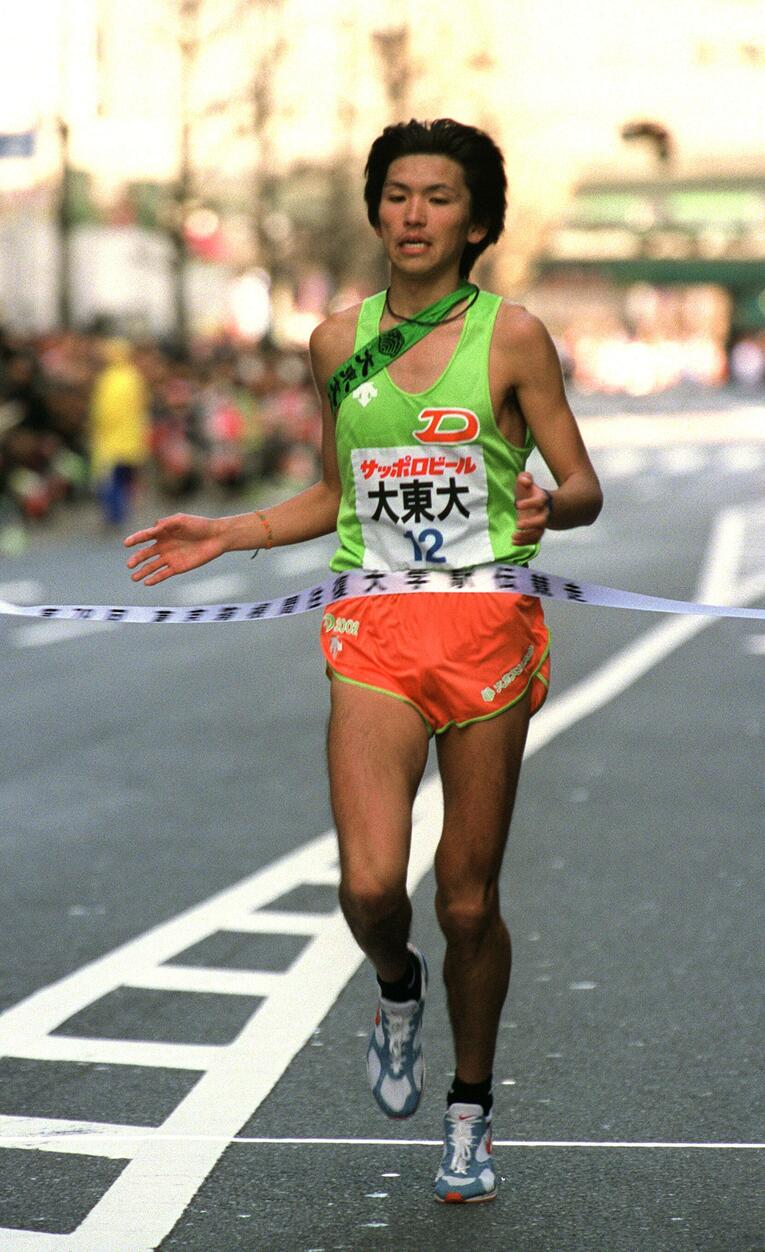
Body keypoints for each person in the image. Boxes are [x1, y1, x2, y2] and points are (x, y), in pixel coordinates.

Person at [124, 118, 603, 1204]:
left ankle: (470, 1115)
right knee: (373, 883)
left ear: (476, 220)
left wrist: (550, 505)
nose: (414, 213)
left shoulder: (515, 336)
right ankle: (396, 992)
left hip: (487, 633)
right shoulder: (336, 343)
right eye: (397, 193)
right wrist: (231, 531)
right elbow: (336, 493)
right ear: (377, 209)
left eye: (439, 197)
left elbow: (581, 482)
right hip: (373, 633)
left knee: (470, 901)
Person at [90, 338, 150, 526]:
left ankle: (115, 515)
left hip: (110, 441)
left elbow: (101, 413)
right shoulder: (134, 377)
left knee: (110, 481)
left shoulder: (107, 379)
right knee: (126, 479)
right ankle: (124, 513)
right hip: (131, 438)